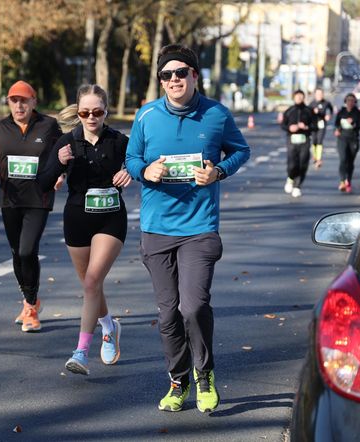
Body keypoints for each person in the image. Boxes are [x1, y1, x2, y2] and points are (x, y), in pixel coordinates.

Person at [125, 44, 250, 413]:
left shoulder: (216, 114)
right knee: (167, 314)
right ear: (161, 80)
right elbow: (132, 158)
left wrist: (218, 171)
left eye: (181, 73)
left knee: (192, 306)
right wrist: (144, 171)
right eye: (167, 75)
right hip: (157, 228)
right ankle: (177, 382)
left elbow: (240, 150)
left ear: (195, 75)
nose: (174, 79)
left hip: (199, 227)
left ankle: (204, 373)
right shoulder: (146, 116)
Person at [37, 84, 131, 375]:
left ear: (106, 112)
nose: (91, 117)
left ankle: (80, 352)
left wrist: (130, 170)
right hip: (77, 219)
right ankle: (109, 326)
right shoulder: (66, 142)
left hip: (111, 219)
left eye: (97, 112)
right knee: (91, 285)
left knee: (92, 281)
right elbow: (42, 182)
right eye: (85, 112)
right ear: (78, 112)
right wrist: (59, 164)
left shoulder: (119, 141)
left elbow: (141, 164)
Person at [0, 80, 62, 332]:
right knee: (16, 253)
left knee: (27, 250)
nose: (19, 105)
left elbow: (63, 154)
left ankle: (31, 306)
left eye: (24, 100)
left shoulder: (48, 126)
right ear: (9, 103)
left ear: (34, 101)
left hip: (39, 198)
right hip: (10, 200)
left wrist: (60, 174)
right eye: (14, 100)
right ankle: (29, 301)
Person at [282, 90, 315, 198]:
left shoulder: (309, 111)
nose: (299, 98)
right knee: (292, 164)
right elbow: (283, 125)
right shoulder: (289, 111)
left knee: (303, 163)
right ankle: (290, 178)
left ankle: (297, 186)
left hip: (305, 140)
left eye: (301, 96)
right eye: (297, 97)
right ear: (294, 98)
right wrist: (289, 128)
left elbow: (315, 126)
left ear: (304, 98)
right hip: (292, 140)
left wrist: (306, 127)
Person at [334, 93, 360, 193]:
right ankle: (342, 180)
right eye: (348, 100)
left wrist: (353, 123)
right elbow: (336, 124)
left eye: (352, 100)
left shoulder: (358, 113)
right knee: (343, 159)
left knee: (350, 161)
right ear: (345, 101)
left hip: (353, 139)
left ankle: (349, 180)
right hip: (342, 138)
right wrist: (337, 130)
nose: (350, 102)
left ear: (355, 102)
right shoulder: (341, 112)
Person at [308, 88, 333, 169]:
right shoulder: (312, 104)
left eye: (321, 94)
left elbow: (330, 109)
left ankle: (319, 159)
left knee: (319, 141)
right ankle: (314, 157)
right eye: (318, 94)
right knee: (314, 141)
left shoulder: (326, 102)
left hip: (322, 124)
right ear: (315, 94)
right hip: (313, 125)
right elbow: (307, 114)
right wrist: (312, 112)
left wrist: (328, 115)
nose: (319, 95)